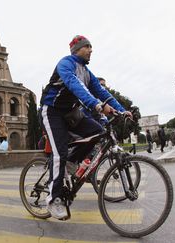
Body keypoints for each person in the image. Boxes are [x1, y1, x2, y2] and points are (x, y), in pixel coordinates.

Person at [39, 35, 131, 220]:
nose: (91, 50)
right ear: (76, 49)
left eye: (91, 47)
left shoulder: (88, 73)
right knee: (60, 154)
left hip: (71, 114)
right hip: (52, 112)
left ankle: (71, 163)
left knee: (98, 132)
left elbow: (102, 92)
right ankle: (53, 199)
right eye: (87, 46)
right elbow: (75, 86)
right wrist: (96, 105)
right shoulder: (65, 64)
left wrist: (122, 110)